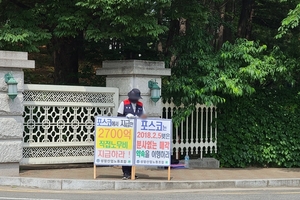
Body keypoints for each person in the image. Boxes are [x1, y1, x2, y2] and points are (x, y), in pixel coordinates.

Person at [117, 88, 146, 180]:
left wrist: (139, 118)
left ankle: (132, 172)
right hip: (125, 133)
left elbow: (144, 117)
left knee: (133, 154)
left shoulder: (140, 105)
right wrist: (126, 118)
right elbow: (118, 117)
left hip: (136, 133)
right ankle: (126, 173)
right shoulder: (124, 103)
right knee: (126, 153)